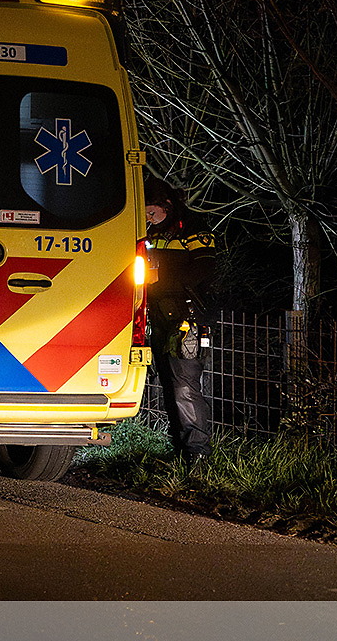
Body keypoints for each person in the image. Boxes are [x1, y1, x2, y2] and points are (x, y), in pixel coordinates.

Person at [144, 176, 216, 463]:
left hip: (187, 319)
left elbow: (206, 268)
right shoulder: (153, 232)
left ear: (168, 205)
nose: (149, 218)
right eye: (146, 213)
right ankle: (180, 451)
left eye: (153, 212)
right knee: (168, 385)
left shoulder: (194, 228)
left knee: (185, 387)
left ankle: (198, 454)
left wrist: (164, 283)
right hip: (159, 316)